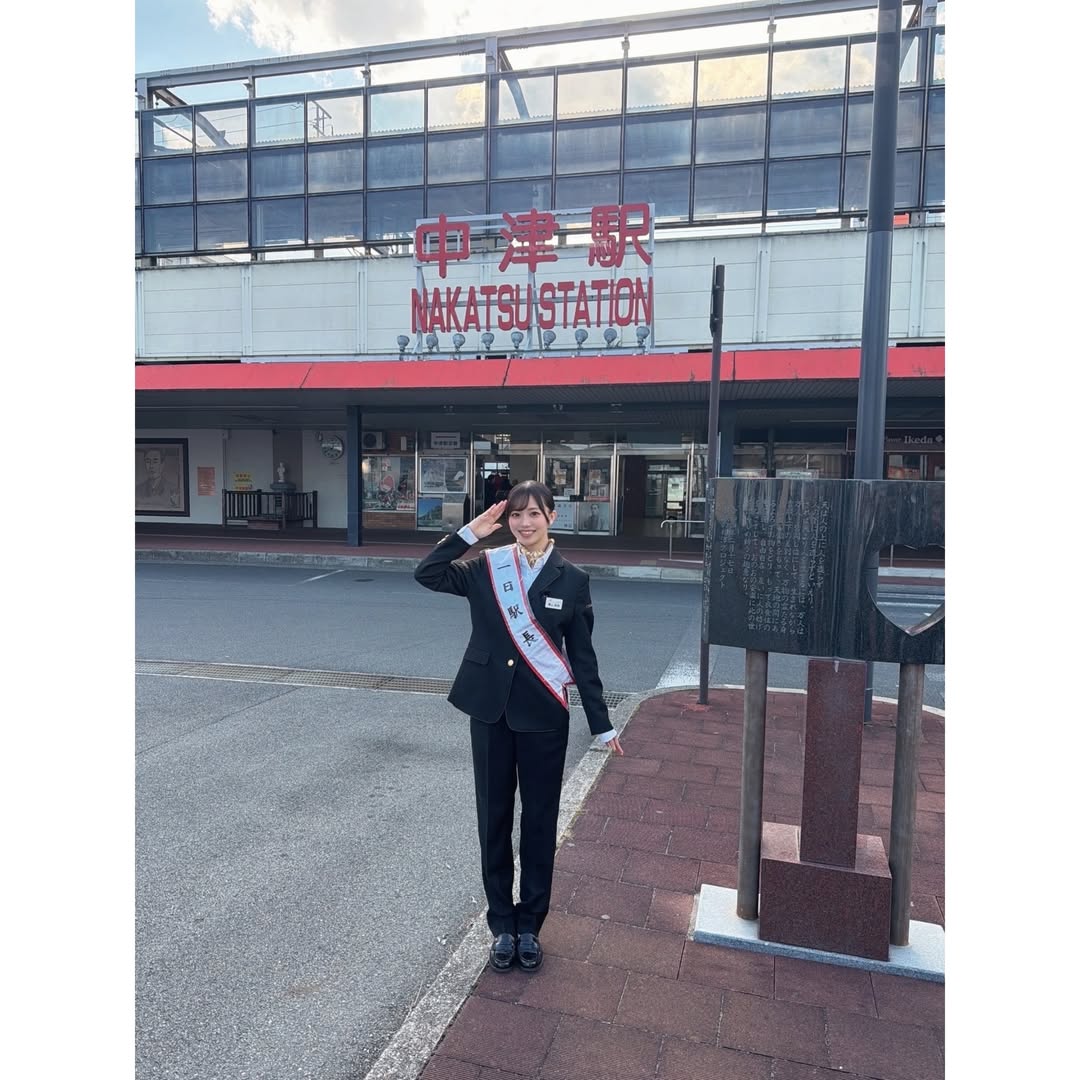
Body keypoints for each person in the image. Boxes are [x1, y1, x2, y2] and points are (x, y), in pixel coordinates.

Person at [414, 480, 623, 974]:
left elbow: (583, 656)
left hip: (543, 716)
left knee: (538, 822)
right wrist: (471, 533)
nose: (524, 523)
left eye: (533, 514)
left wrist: (601, 723)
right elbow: (428, 573)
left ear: (552, 516)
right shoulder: (488, 566)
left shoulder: (572, 579)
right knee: (493, 819)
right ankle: (502, 926)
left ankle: (530, 925)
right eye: (516, 515)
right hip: (489, 711)